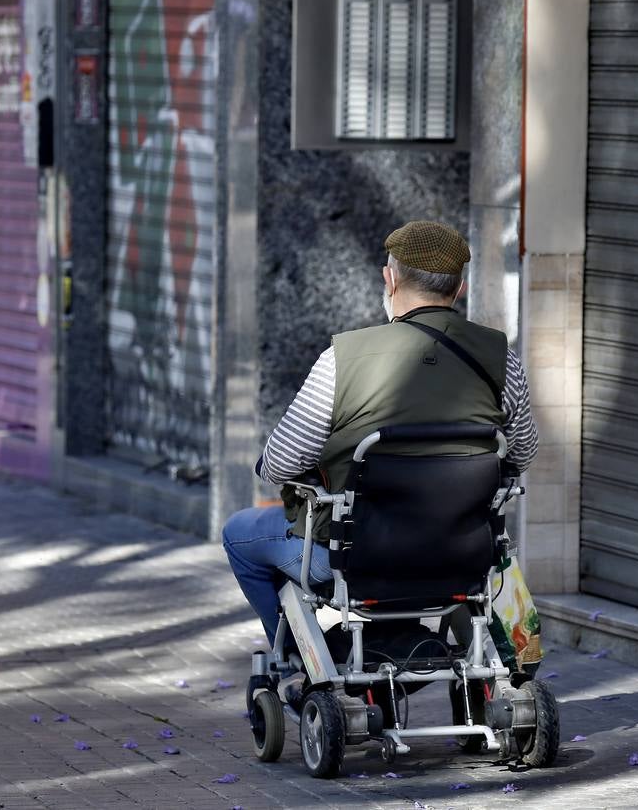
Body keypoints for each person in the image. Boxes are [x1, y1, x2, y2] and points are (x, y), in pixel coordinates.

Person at [222, 220, 540, 646]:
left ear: (390, 279)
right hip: (462, 555)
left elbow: (279, 464)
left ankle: (300, 658)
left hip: (353, 559)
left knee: (239, 533)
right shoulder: (502, 359)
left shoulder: (343, 358)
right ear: (459, 288)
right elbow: (523, 452)